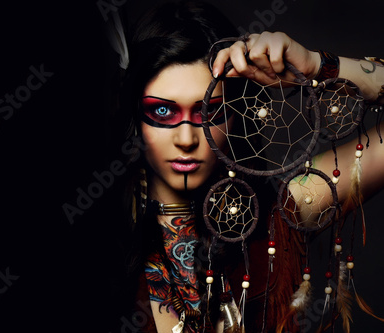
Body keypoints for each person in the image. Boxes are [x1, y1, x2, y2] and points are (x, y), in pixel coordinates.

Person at [113, 1, 384, 332]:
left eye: (208, 112)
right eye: (162, 112)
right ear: (134, 116)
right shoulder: (94, 238)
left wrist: (317, 66)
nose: (186, 139)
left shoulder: (275, 221)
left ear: (234, 114)